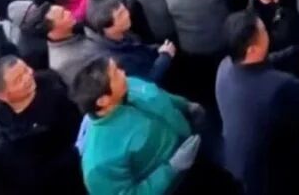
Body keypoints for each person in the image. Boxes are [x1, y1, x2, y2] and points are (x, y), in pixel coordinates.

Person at [73, 57, 216, 195]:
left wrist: (186, 105)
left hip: (193, 142)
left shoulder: (128, 84)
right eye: (116, 74)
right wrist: (172, 168)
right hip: (177, 185)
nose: (123, 73)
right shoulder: (98, 163)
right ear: (103, 100)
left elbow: (158, 94)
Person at [215, 10, 299, 195]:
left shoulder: (225, 67)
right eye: (263, 30)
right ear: (252, 50)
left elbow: (265, 63)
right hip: (270, 175)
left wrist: (297, 50)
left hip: (236, 166)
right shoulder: (275, 88)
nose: (267, 31)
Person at [0, 56, 86, 195]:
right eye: (18, 80)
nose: (28, 76)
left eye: (26, 69)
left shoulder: (49, 80)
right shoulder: (13, 137)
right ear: (3, 95)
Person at [85, 0, 174, 83]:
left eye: (124, 10)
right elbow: (148, 80)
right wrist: (165, 57)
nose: (127, 14)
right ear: (108, 28)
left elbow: (139, 48)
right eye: (121, 15)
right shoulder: (118, 61)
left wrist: (158, 49)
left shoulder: (122, 34)